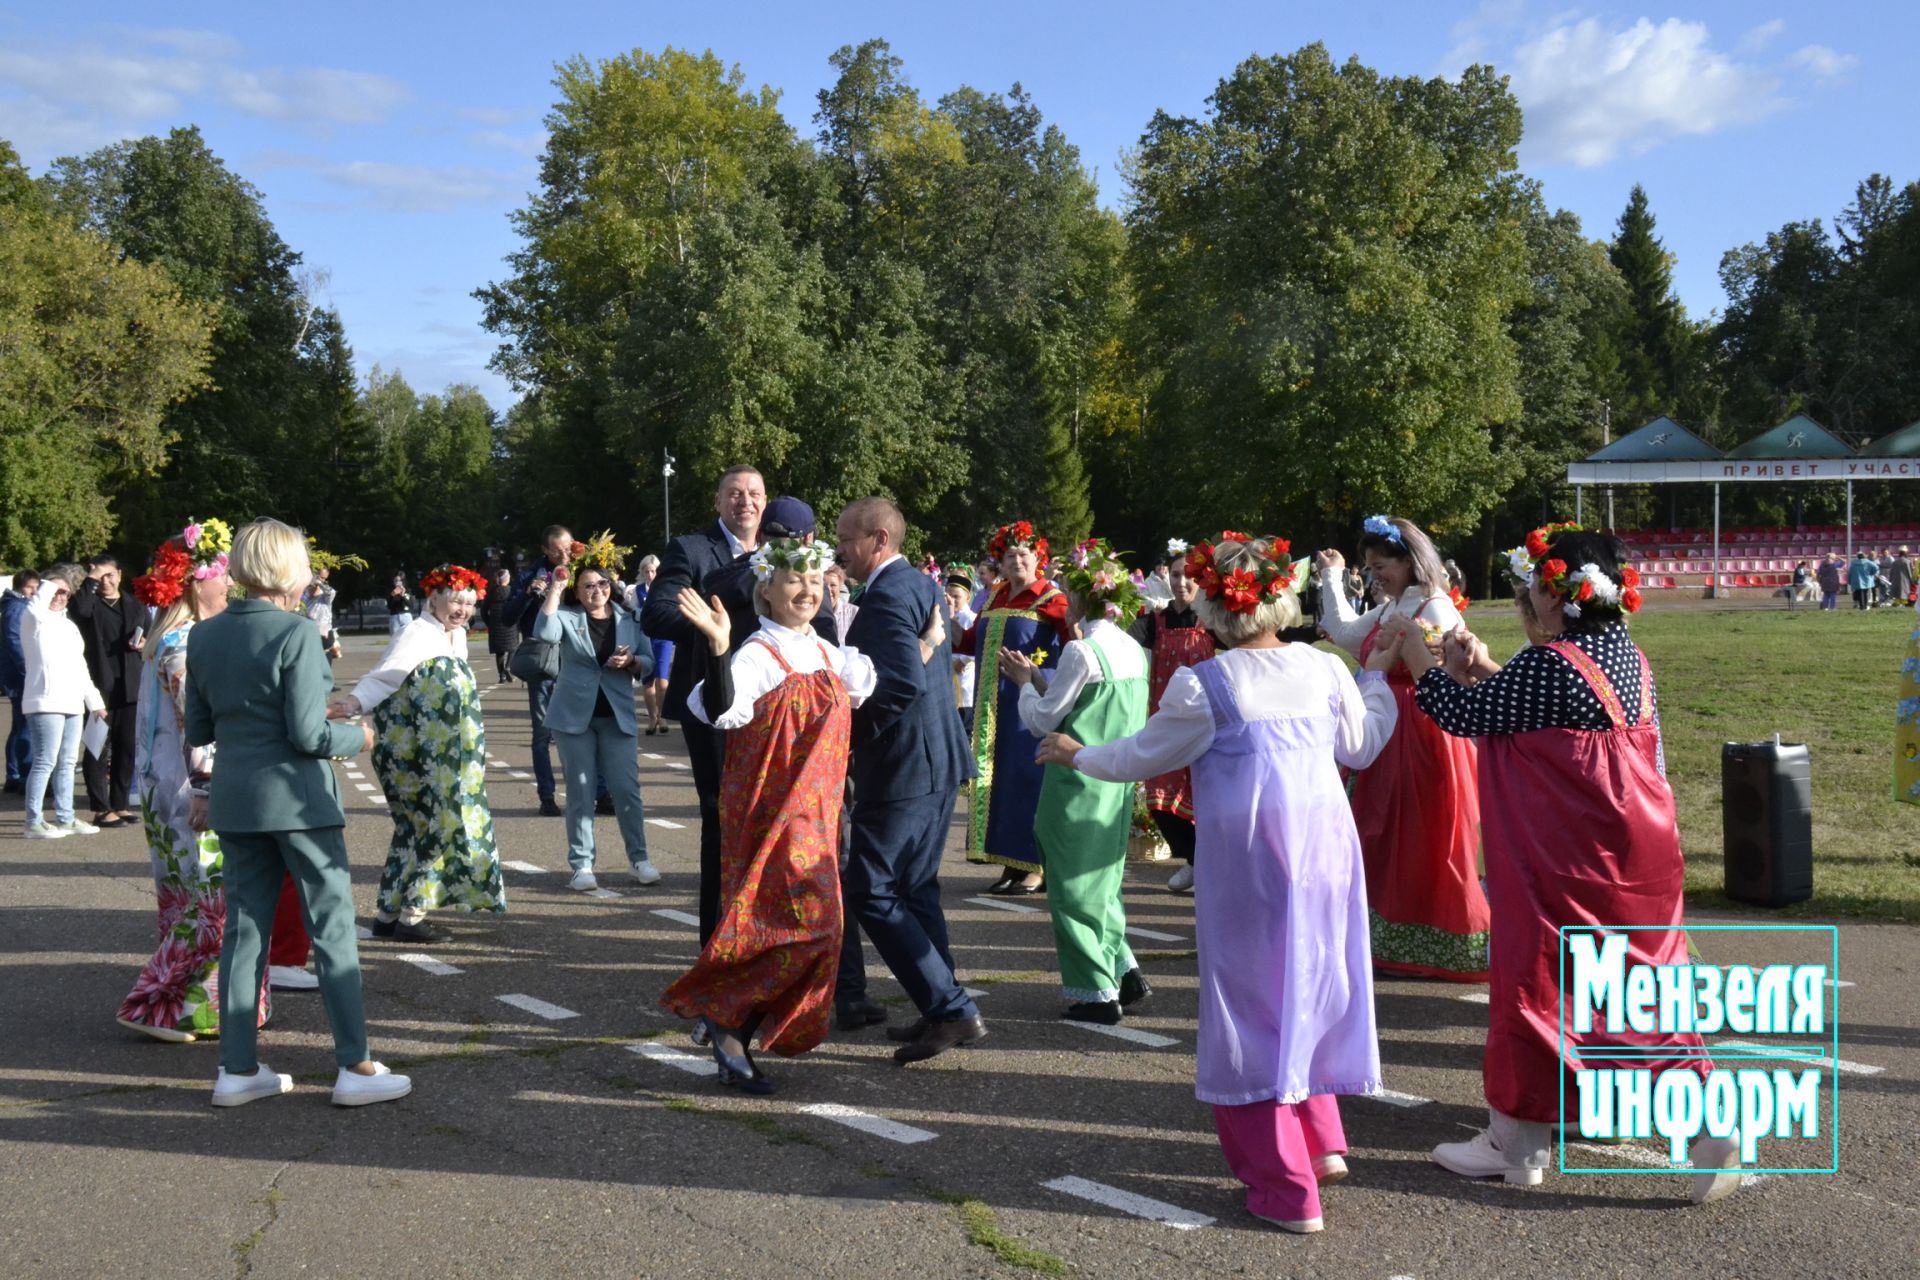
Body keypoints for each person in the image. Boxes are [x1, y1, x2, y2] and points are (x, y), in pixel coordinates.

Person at [1037, 532, 1398, 1233]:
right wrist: (1376, 679)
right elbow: (1361, 746)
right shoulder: (1324, 670)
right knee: (1315, 979)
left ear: (1207, 607)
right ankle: (1319, 1141)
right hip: (1327, 852)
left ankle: (1284, 1185)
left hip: (1254, 861)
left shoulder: (1205, 684)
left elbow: (1142, 755)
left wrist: (1080, 753)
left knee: (1247, 1006)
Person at [1401, 523, 1738, 1204]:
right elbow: (1527, 714)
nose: (1527, 598)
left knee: (1536, 984)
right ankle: (1539, 1131)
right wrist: (1479, 668)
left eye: (1532, 587)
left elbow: (1466, 718)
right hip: (1635, 854)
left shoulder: (1549, 666)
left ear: (1557, 599)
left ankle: (1524, 1141)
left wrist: (1423, 663)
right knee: (1634, 982)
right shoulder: (1623, 658)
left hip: (1565, 861)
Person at [184, 518, 410, 1108]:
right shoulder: (296, 633)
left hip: (237, 796)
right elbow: (310, 735)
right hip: (298, 800)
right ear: (290, 568)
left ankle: (237, 1067)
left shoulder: (203, 636)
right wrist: (357, 739)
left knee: (244, 933)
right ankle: (355, 1067)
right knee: (331, 930)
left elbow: (201, 727)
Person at [660, 537, 876, 1091]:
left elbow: (867, 693)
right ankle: (729, 1019)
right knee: (802, 924)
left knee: (803, 928)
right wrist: (717, 649)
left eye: (813, 580)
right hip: (771, 813)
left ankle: (731, 1021)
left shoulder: (831, 654)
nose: (805, 590)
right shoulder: (757, 653)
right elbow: (718, 709)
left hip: (819, 818)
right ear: (767, 589)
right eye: (792, 580)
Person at [835, 496, 985, 1064]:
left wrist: (844, 735)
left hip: (905, 768)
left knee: (871, 889)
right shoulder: (918, 585)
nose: (840, 548)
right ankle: (938, 1006)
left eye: (848, 538)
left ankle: (950, 1008)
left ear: (879, 541)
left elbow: (897, 684)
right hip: (936, 760)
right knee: (917, 887)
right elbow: (918, 664)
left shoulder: (890, 593)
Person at [118, 518, 276, 1041]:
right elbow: (200, 728)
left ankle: (199, 1007)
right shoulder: (185, 644)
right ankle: (154, 1003)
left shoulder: (184, 638)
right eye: (223, 572)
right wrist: (210, 790)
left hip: (172, 788)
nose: (232, 581)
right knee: (217, 898)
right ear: (195, 582)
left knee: (193, 896)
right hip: (198, 790)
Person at [1314, 515, 1488, 982]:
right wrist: (1332, 576)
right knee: (1381, 828)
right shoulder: (1396, 606)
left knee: (1418, 832)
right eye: (1369, 567)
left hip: (1421, 729)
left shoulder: (1434, 607)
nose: (1375, 575)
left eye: (1381, 564)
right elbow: (1344, 632)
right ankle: (1384, 935)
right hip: (1388, 725)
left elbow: (1446, 672)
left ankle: (1427, 938)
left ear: (1410, 559)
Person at [1002, 538, 1151, 1024]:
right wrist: (1038, 681)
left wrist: (1025, 685)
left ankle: (1096, 993)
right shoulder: (1130, 647)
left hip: (1076, 781)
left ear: (1085, 599)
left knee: (1070, 887)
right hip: (1115, 778)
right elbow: (1084, 708)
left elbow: (1045, 722)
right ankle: (1122, 971)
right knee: (1102, 883)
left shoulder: (1083, 650)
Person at [330, 564, 506, 944]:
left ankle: (388, 914)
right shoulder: (417, 633)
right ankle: (412, 916)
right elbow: (384, 676)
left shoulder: (454, 636)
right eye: (455, 600)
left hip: (442, 752)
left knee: (415, 829)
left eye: (469, 603)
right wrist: (350, 704)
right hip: (419, 753)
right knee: (438, 825)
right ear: (433, 598)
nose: (462, 609)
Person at [641, 465, 766, 941]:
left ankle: (761, 931)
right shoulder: (691, 550)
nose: (745, 502)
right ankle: (716, 941)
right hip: (711, 704)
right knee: (722, 817)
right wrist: (715, 627)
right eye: (734, 493)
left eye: (754, 493)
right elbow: (657, 614)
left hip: (771, 704)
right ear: (718, 502)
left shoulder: (782, 551)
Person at [954, 520, 1071, 894]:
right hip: (994, 711)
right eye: (1009, 555)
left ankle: (1038, 865)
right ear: (1000, 563)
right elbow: (968, 641)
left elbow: (1077, 649)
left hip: (1031, 707)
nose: (1017, 560)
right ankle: (1010, 863)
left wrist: (1042, 677)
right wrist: (940, 613)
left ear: (1038, 558)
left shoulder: (1051, 600)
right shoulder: (994, 598)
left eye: (1024, 553)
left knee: (1030, 781)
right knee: (1001, 783)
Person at [532, 552, 656, 891]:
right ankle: (582, 865)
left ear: (610, 585)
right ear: (578, 591)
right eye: (587, 586)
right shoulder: (568, 617)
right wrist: (555, 589)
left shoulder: (632, 617)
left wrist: (631, 661)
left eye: (601, 583)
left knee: (626, 791)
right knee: (581, 792)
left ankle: (639, 859)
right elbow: (544, 632)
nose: (596, 590)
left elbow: (649, 661)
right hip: (574, 718)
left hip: (616, 718)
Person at [1130, 539, 1216, 895]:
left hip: (1204, 722)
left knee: (1203, 795)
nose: (1181, 583)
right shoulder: (1156, 620)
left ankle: (1207, 863)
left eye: (1189, 577)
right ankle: (1195, 859)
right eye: (1177, 576)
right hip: (1164, 720)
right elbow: (1124, 640)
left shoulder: (1211, 619)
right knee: (1158, 798)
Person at [20, 565, 107, 839]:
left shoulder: (69, 626)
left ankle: (66, 817)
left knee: (68, 762)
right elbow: (36, 607)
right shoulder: (34, 619)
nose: (61, 597)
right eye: (56, 592)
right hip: (45, 702)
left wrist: (95, 701)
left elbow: (80, 667)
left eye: (66, 593)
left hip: (71, 703)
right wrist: (52, 584)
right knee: (45, 760)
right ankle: (33, 821)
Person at [502, 525, 579, 815]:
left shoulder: (584, 569)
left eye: (568, 547)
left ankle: (597, 793)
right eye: (558, 550)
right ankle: (547, 796)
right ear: (545, 551)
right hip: (544, 662)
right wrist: (527, 593)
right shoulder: (530, 576)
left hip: (578, 657)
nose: (565, 554)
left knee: (584, 729)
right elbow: (508, 618)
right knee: (543, 734)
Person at [71, 556, 147, 827]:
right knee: (96, 747)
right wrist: (90, 580)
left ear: (119, 573)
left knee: (127, 748)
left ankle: (121, 803)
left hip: (129, 685)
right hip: (98, 686)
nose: (107, 580)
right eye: (101, 576)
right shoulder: (89, 605)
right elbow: (79, 610)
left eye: (110, 574)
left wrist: (144, 644)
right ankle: (101, 808)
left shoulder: (135, 606)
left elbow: (147, 634)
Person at [2, 568, 40, 792]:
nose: (33, 592)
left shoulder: (13, 605)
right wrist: (28, 668)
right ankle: (24, 775)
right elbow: (15, 640)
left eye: (36, 588)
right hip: (20, 675)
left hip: (14, 674)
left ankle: (14, 773)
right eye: (29, 588)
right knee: (24, 726)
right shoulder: (17, 608)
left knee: (18, 726)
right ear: (19, 587)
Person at [631, 554, 673, 733]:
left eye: (653, 571)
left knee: (662, 680)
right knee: (648, 682)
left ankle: (663, 716)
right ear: (642, 572)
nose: (650, 574)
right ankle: (652, 718)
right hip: (645, 638)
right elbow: (631, 614)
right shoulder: (637, 591)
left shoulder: (665, 588)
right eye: (646, 571)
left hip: (663, 637)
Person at [944, 572, 977, 736]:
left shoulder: (971, 618)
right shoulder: (943, 615)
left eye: (956, 596)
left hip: (963, 677)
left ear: (967, 597)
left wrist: (963, 661)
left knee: (964, 725)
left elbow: (977, 644)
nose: (952, 600)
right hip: (948, 674)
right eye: (949, 596)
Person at [482, 567, 518, 683]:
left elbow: (483, 611)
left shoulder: (492, 592)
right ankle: (508, 667)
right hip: (509, 624)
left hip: (495, 625)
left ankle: (501, 675)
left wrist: (489, 622)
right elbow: (517, 606)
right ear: (507, 579)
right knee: (513, 647)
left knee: (499, 652)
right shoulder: (511, 591)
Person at [302, 567, 341, 664]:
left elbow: (330, 592)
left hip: (323, 634)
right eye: (319, 576)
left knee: (324, 663)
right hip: (306, 633)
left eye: (324, 578)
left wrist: (318, 582)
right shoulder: (303, 593)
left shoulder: (325, 595)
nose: (321, 580)